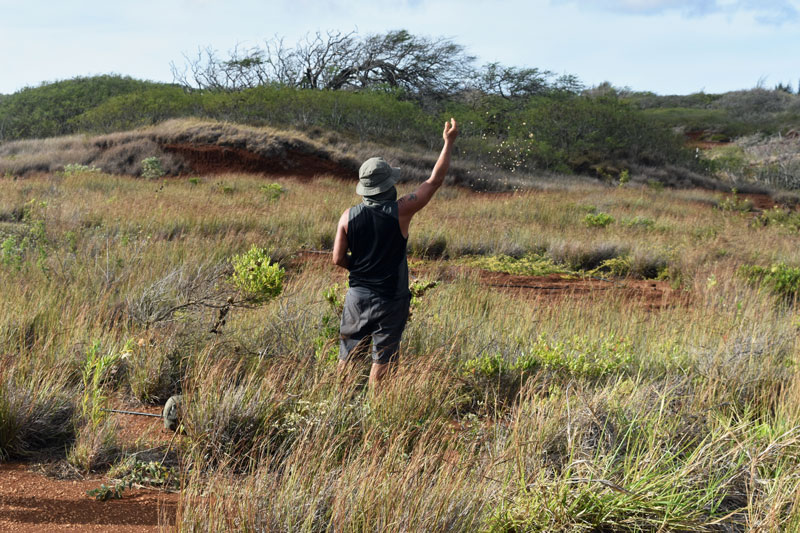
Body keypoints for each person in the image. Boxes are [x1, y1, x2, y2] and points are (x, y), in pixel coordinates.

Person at [333, 118, 458, 386]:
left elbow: (337, 258)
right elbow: (434, 181)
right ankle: (378, 416)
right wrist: (448, 143)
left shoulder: (347, 217)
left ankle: (337, 407)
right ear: (388, 184)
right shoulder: (400, 211)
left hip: (357, 297)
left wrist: (360, 268)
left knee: (348, 357)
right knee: (384, 360)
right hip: (391, 299)